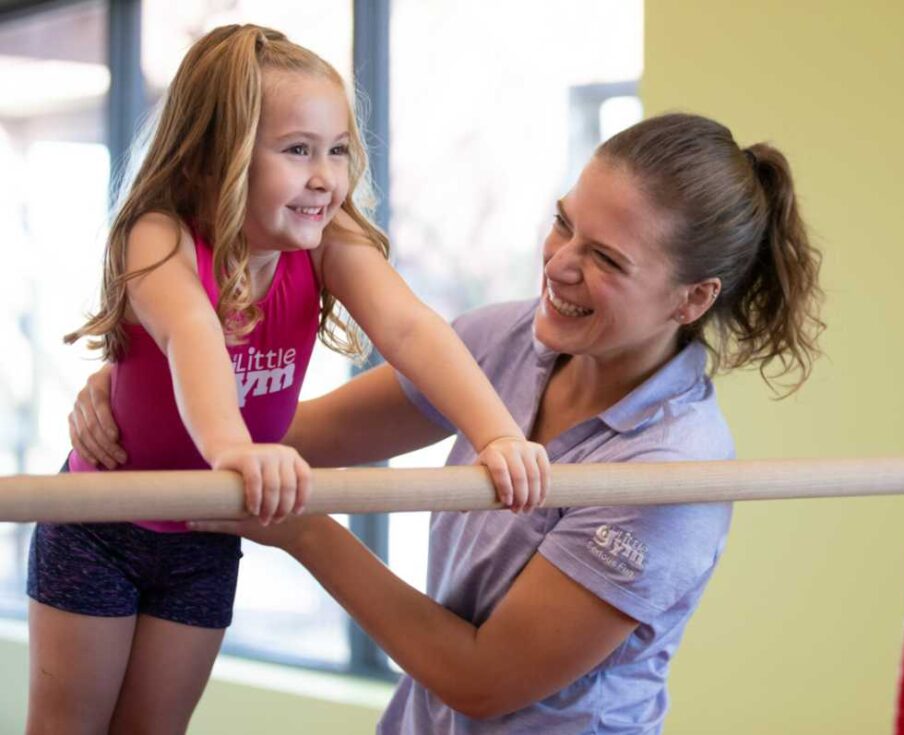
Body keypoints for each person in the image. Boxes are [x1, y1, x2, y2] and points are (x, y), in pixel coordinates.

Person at [70, 112, 824, 733]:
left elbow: (483, 679)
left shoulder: (671, 469)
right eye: (563, 225)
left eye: (605, 258)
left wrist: (303, 529)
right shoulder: (507, 341)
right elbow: (284, 435)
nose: (559, 265)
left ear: (693, 299)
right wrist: (146, 397)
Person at [33, 24, 549, 735]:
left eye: (338, 150)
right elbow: (191, 331)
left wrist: (497, 435)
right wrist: (234, 448)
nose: (326, 177)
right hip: (100, 525)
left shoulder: (330, 241)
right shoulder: (160, 235)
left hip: (204, 535)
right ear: (217, 158)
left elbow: (409, 328)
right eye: (298, 150)